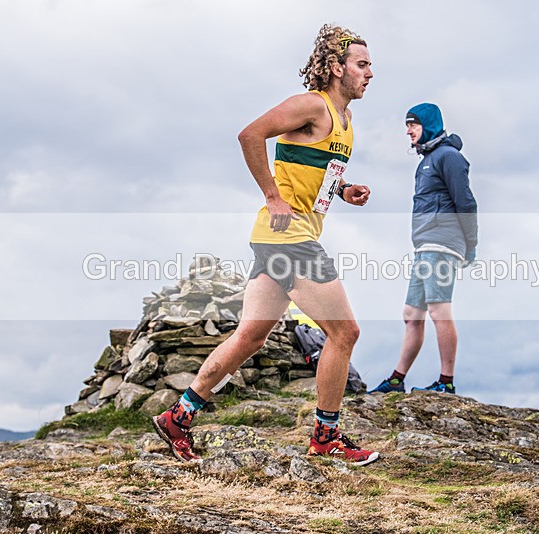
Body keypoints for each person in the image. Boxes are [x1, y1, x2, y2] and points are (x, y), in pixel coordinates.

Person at [152, 24, 379, 466]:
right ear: (336, 67)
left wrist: (344, 189)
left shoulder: (346, 120)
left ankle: (179, 417)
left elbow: (313, 170)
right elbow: (249, 135)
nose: (370, 73)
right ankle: (325, 437)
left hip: (279, 239)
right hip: (288, 239)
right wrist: (272, 197)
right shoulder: (310, 104)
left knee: (251, 336)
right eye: (362, 64)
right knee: (344, 332)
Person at [369, 103, 478, 395]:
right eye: (407, 125)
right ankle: (396, 380)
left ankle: (446, 381)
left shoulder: (449, 157)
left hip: (442, 242)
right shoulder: (427, 160)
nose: (408, 131)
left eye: (412, 125)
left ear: (427, 125)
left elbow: (466, 203)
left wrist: (471, 244)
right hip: (425, 244)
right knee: (411, 313)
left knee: (438, 310)